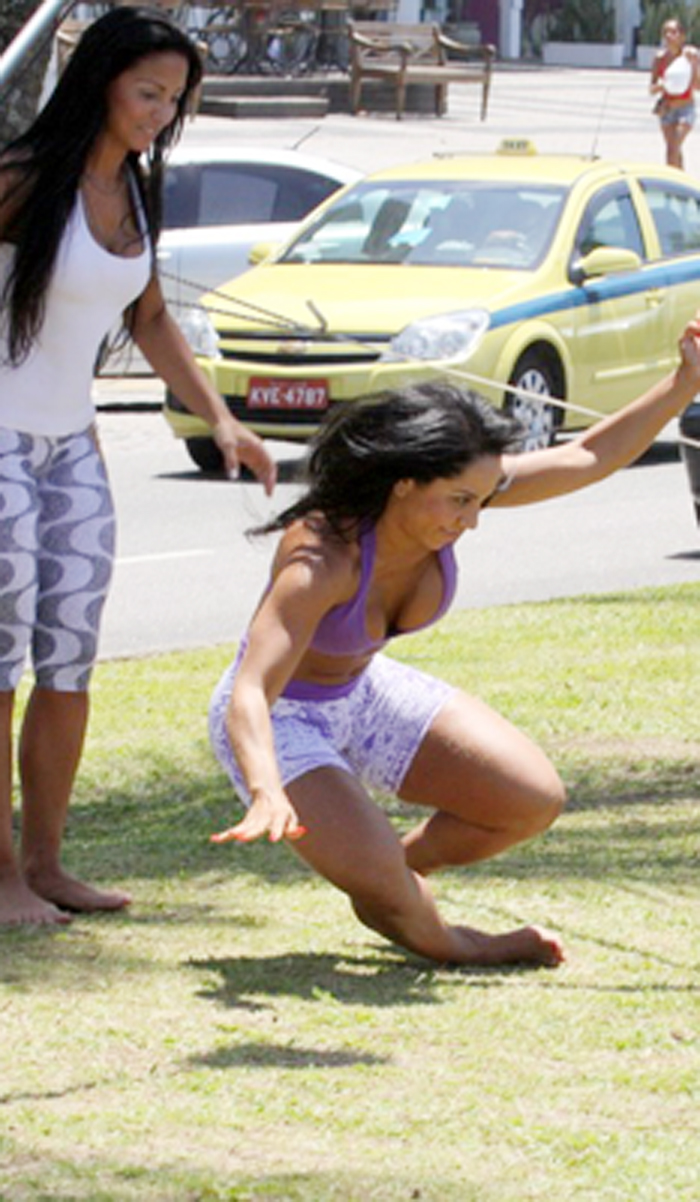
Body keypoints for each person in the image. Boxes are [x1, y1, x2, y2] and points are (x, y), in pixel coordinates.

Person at [208, 317, 700, 969]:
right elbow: (250, 688)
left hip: (365, 691)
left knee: (530, 799)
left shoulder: (455, 492)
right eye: (459, 501)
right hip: (282, 719)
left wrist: (683, 383)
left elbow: (589, 457)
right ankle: (458, 939)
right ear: (403, 482)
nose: (472, 520)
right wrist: (267, 786)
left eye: (481, 499)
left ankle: (390, 873)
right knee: (425, 930)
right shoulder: (322, 558)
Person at [0, 6, 276, 927]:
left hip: (72, 447)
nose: (160, 112)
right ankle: (0, 875)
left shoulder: (136, 194)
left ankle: (45, 864)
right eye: (146, 91)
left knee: (68, 662)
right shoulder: (24, 180)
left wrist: (223, 421)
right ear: (100, 84)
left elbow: (151, 320)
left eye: (175, 99)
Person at [650, 17, 700, 169]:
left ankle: (677, 186)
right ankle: (679, 184)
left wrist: (694, 66)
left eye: (673, 32)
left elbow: (697, 86)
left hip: (685, 108)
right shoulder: (660, 58)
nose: (669, 36)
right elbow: (652, 88)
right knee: (673, 152)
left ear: (682, 36)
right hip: (667, 108)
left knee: (673, 148)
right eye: (666, 32)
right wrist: (660, 86)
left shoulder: (690, 56)